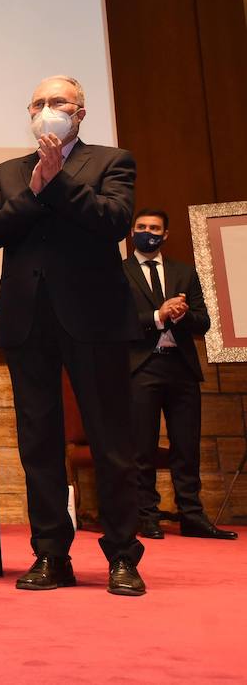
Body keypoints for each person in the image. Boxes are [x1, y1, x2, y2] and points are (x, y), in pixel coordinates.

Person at [0, 75, 146, 596]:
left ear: (81, 112)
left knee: (111, 441)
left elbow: (114, 220)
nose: (48, 109)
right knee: (38, 444)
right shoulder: (7, 172)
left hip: (95, 320)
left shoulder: (112, 160)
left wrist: (61, 182)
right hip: (29, 321)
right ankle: (51, 554)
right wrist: (35, 189)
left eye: (58, 102)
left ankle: (122, 556)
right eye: (39, 103)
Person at [122, 208, 236, 540]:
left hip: (181, 367)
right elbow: (117, 321)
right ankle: (146, 515)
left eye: (155, 228)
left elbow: (204, 322)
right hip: (141, 367)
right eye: (141, 227)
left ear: (166, 234)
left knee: (186, 446)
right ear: (132, 232)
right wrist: (159, 314)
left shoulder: (184, 272)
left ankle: (192, 515)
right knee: (141, 447)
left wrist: (181, 313)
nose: (148, 232)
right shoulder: (118, 272)